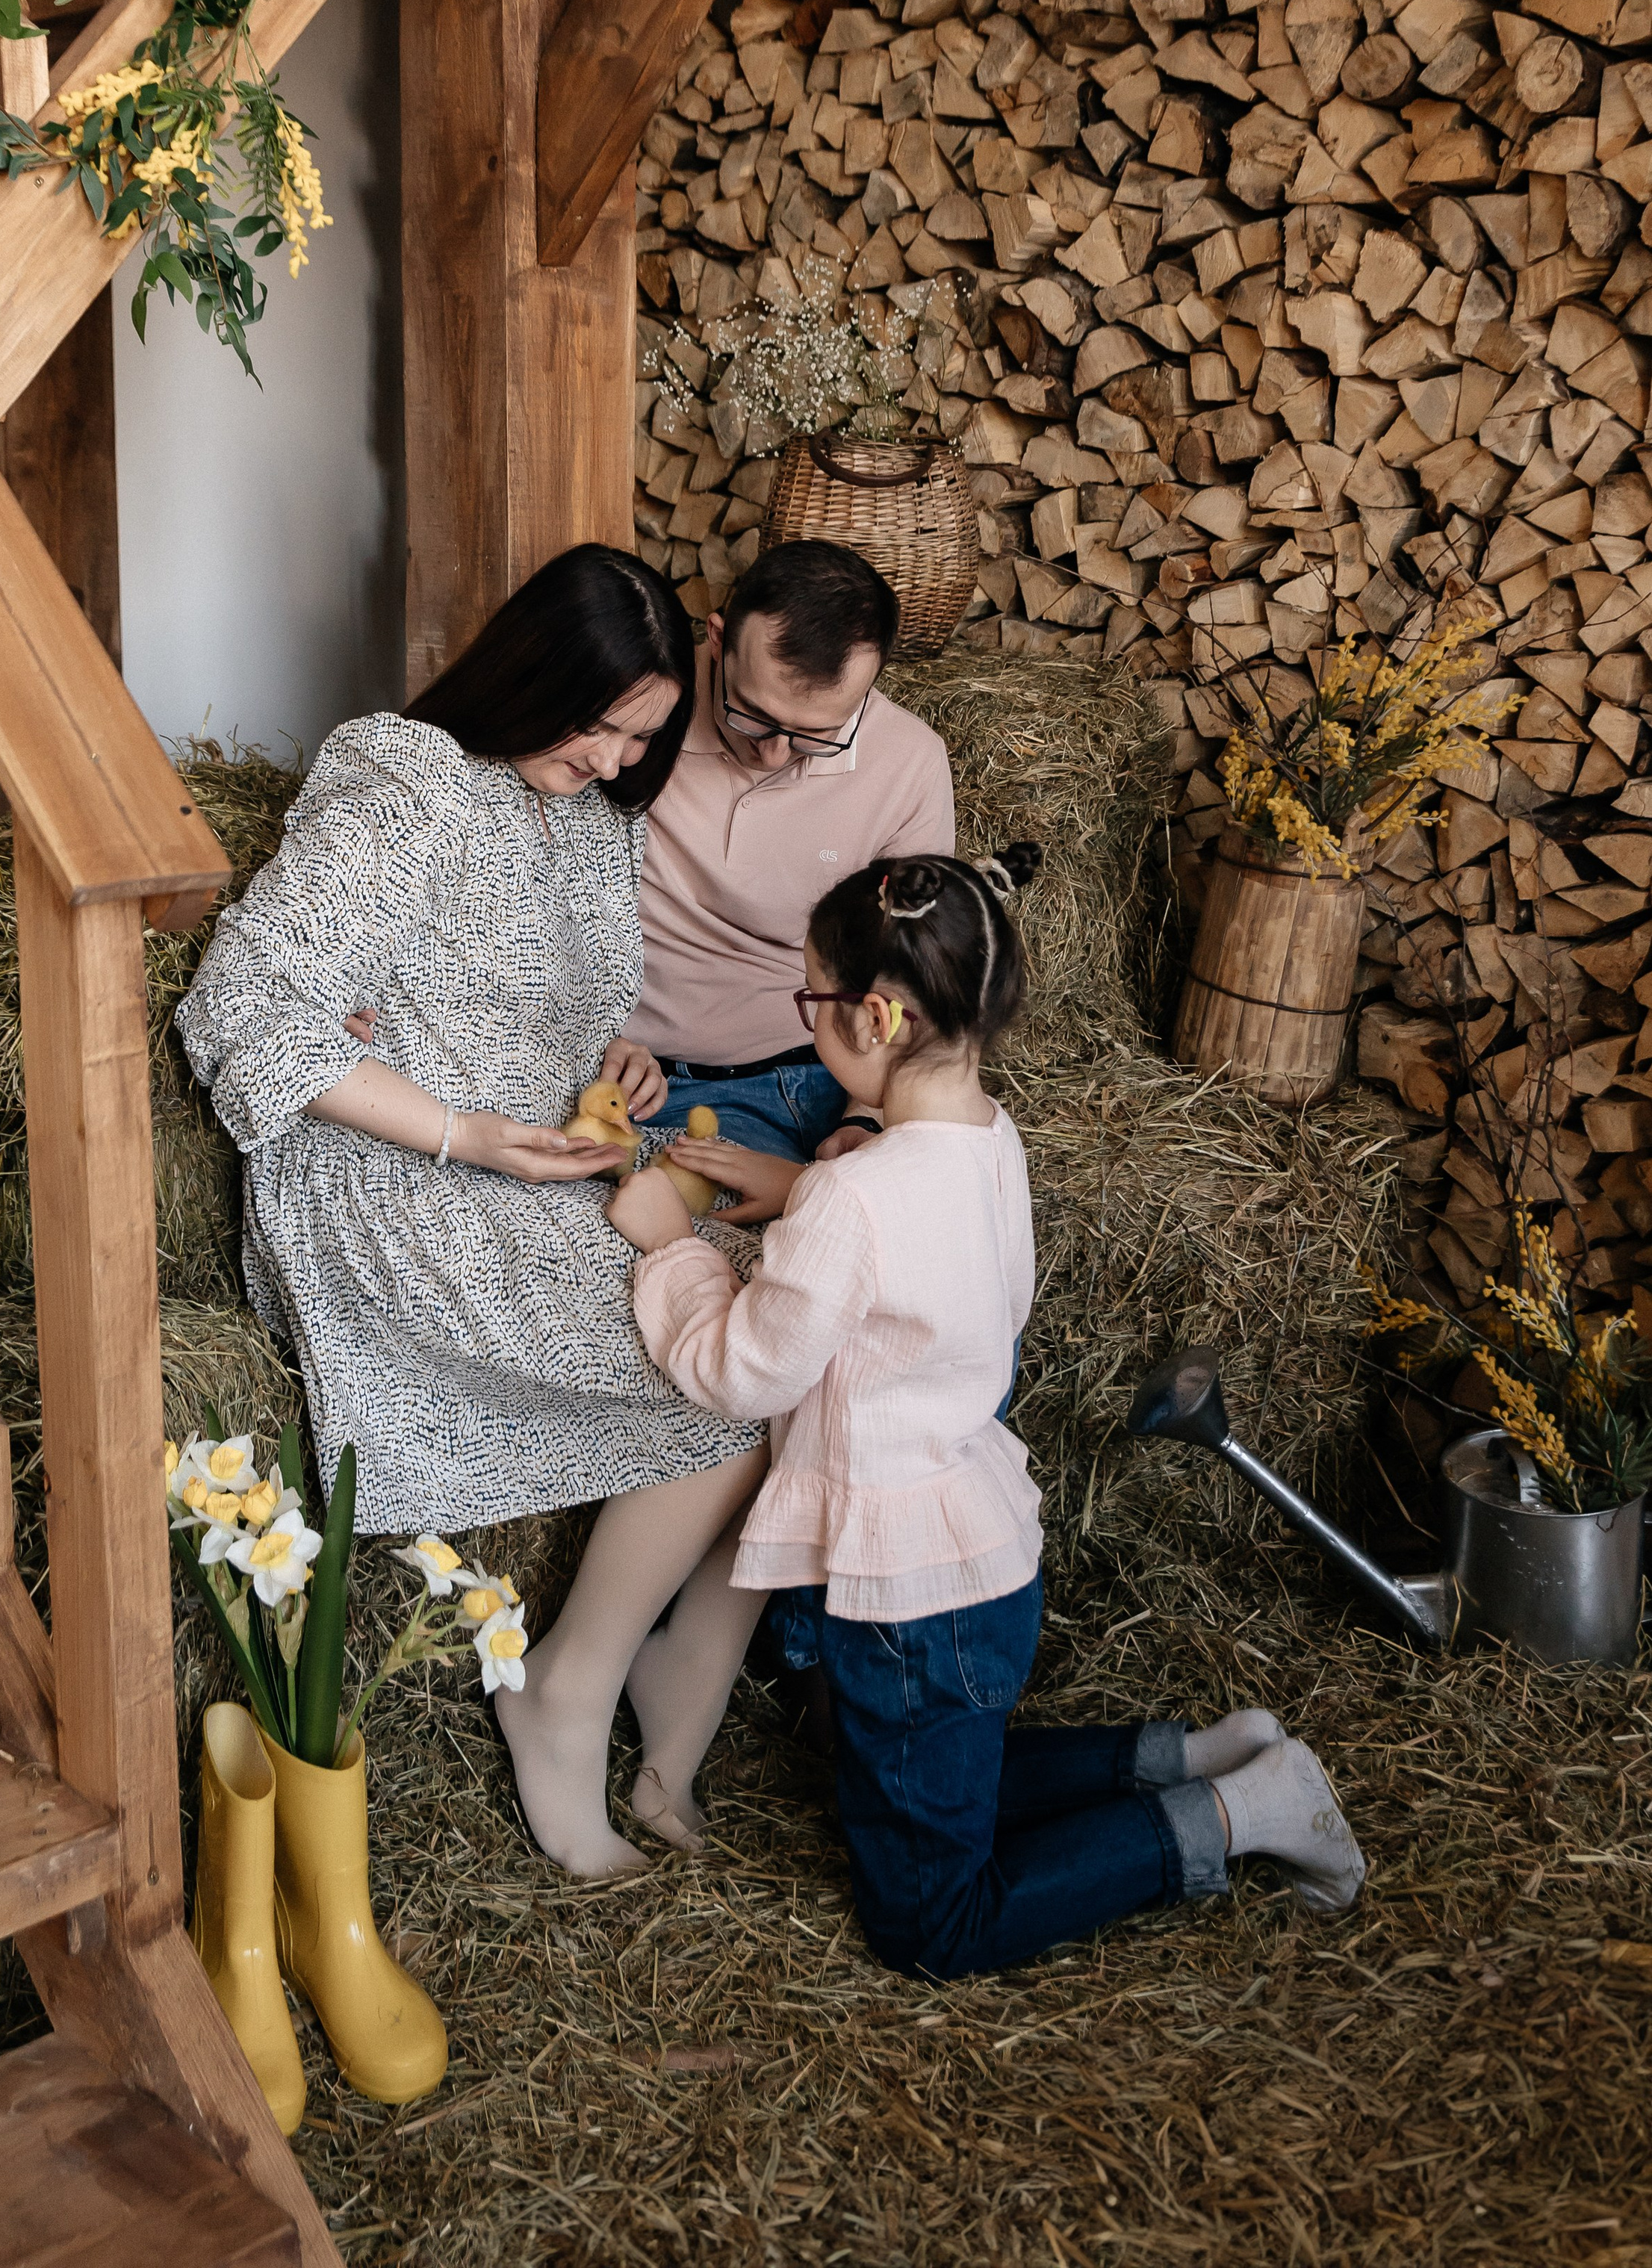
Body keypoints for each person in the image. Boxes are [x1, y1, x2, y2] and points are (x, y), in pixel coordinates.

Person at [608, 848, 1367, 1975]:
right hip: (978, 1555)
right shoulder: (984, 1138)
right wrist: (797, 1190)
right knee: (929, 1767)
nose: (805, 1019)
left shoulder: (854, 1200)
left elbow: (742, 1372)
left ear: (874, 1016)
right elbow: (884, 1239)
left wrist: (672, 1252)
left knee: (931, 1922)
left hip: (911, 1601)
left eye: (811, 1001)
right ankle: (1194, 1755)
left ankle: (1241, 1813)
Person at [177, 543, 768, 1878]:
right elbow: (238, 1009)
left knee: (786, 1326)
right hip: (399, 1184)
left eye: (645, 736)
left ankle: (673, 1675)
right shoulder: (408, 784)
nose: (623, 761)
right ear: (531, 676)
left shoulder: (594, 815)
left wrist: (616, 1067)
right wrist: (462, 1130)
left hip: (535, 1160)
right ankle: (564, 1693)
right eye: (604, 725)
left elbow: (534, 1010)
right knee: (726, 1372)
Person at [626, 538, 955, 1225]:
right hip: (674, 1083)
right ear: (717, 640)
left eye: (815, 735)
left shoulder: (910, 760)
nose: (772, 752)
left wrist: (868, 1118)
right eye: (751, 712)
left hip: (847, 1075)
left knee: (943, 1252)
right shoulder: (641, 715)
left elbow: (911, 967)